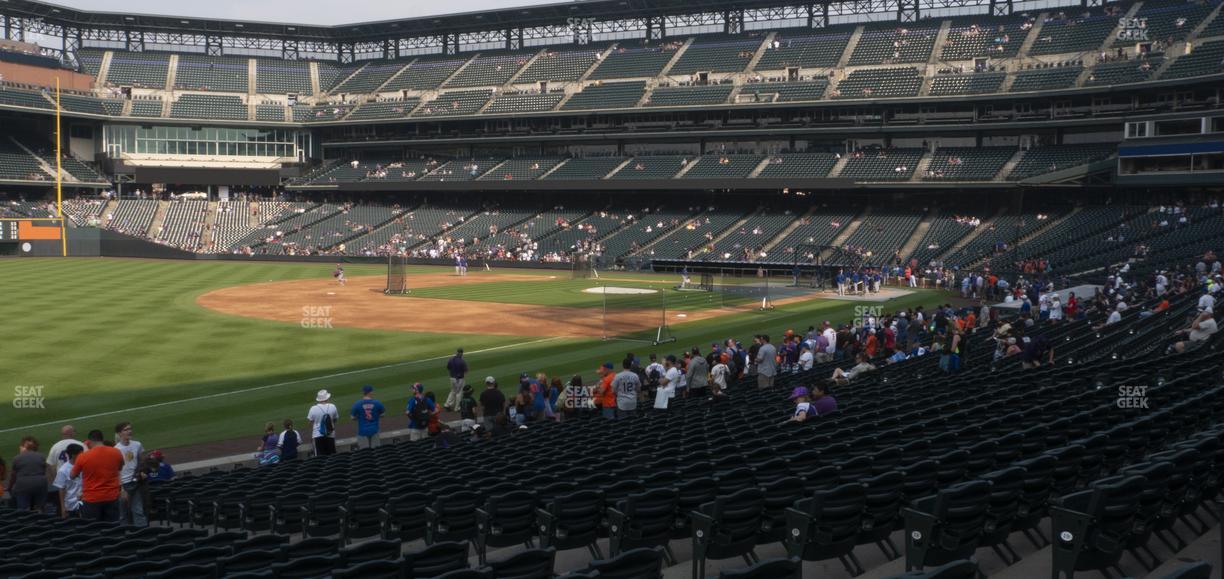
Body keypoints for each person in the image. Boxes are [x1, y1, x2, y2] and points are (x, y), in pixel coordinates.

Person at [72, 430, 124, 522]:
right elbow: (120, 467)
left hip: (91, 499)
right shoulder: (116, 452)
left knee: (93, 528)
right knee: (113, 527)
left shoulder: (83, 456)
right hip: (112, 497)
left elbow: (72, 475)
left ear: (89, 441)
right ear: (102, 439)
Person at [114, 422, 146, 526]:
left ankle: (142, 533)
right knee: (122, 514)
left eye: (130, 429)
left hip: (135, 482)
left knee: (138, 511)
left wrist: (141, 471)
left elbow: (141, 461)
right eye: (126, 430)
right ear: (119, 433)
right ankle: (124, 534)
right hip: (123, 484)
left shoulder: (137, 444)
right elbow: (115, 470)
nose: (129, 431)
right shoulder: (116, 450)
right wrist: (121, 488)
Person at [8, 436, 48, 512]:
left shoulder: (17, 458)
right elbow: (44, 472)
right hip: (40, 483)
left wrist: (9, 488)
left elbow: (13, 476)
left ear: (24, 448)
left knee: (23, 510)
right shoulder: (41, 456)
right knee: (40, 508)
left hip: (23, 485)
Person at [52, 443, 85, 519]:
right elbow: (61, 489)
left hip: (84, 503)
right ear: (73, 455)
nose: (83, 456)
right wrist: (63, 508)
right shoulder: (63, 470)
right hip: (71, 506)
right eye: (81, 454)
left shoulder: (85, 465)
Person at [351, 385, 386, 449]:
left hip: (362, 431)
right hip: (374, 430)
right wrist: (376, 416)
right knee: (376, 451)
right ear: (370, 392)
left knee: (365, 452)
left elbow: (352, 417)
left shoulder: (357, 404)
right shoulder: (377, 403)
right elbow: (383, 414)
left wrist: (360, 417)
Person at [307, 390, 339, 456]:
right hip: (330, 434)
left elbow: (310, 422)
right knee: (332, 456)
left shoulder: (313, 408)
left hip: (317, 435)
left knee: (319, 457)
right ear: (327, 398)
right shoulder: (332, 406)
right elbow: (335, 419)